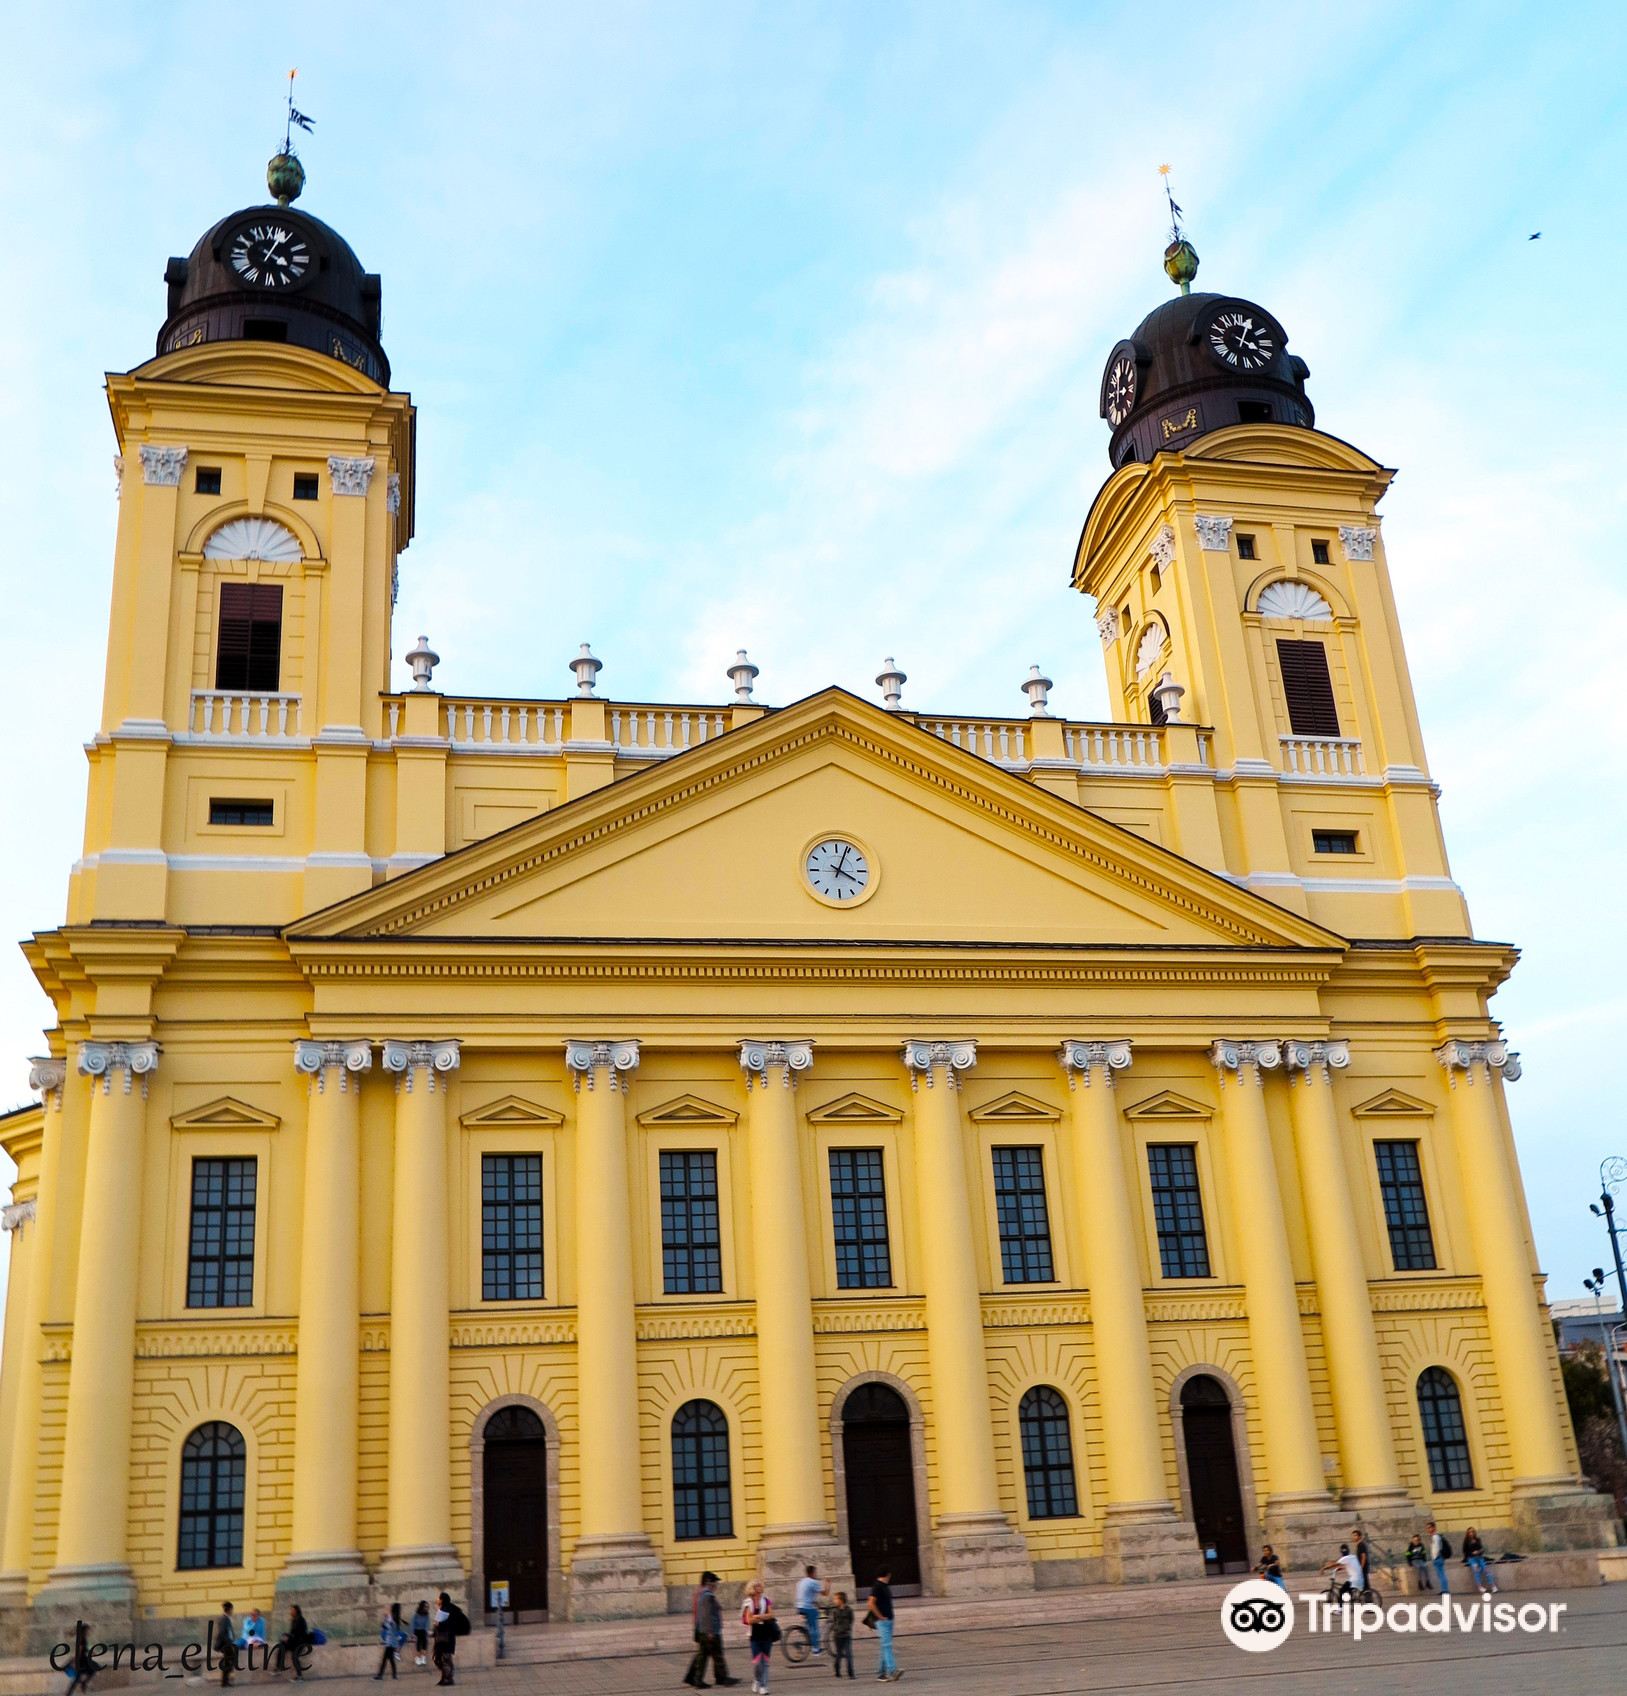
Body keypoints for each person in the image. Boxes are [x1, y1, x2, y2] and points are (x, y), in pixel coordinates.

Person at [684, 1570, 738, 1689]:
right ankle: (721, 1678)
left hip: (703, 1630)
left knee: (703, 1656)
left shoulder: (701, 1594)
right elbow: (706, 1615)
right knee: (717, 1655)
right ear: (709, 1583)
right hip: (710, 1631)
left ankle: (696, 1679)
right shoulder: (707, 1596)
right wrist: (709, 1632)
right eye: (715, 1583)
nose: (716, 1585)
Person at [740, 1579, 777, 1694]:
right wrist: (762, 1617)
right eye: (758, 1586)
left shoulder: (766, 1601)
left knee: (765, 1661)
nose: (761, 1587)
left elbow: (771, 1615)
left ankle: (763, 1685)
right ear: (753, 1588)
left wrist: (758, 1617)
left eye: (761, 1585)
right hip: (754, 1635)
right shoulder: (748, 1602)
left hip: (767, 1633)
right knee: (757, 1662)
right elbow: (749, 1620)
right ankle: (757, 1679)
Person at [866, 1567, 900, 1682]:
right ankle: (892, 1670)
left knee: (884, 1646)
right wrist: (880, 1616)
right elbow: (870, 1603)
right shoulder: (877, 1586)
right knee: (887, 1645)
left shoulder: (884, 1586)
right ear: (888, 1574)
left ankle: (881, 1673)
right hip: (883, 1621)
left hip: (889, 1620)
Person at [432, 1592, 469, 1688]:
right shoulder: (445, 1608)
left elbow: (450, 1624)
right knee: (441, 1658)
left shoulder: (449, 1610)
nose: (438, 1600)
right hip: (443, 1638)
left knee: (445, 1658)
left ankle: (448, 1678)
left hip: (447, 1638)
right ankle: (445, 1677)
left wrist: (439, 1624)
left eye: (439, 1598)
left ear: (443, 1599)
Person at [795, 1565, 826, 1657]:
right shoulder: (813, 1582)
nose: (816, 1574)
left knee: (810, 1624)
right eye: (815, 1572)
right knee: (815, 1628)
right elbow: (825, 1593)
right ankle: (816, 1650)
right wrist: (828, 1584)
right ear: (812, 1573)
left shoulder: (801, 1582)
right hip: (808, 1607)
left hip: (799, 1606)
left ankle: (807, 1635)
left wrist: (816, 1604)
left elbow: (806, 1595)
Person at [275, 1605, 314, 1680]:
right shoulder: (294, 1620)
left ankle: (300, 1676)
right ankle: (279, 1668)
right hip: (295, 1642)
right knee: (281, 1647)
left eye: (292, 1610)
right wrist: (286, 1637)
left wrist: (288, 1638)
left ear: (296, 1611)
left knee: (294, 1656)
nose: (291, 1612)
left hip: (300, 1643)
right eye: (291, 1610)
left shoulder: (300, 1620)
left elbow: (298, 1634)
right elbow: (292, 1633)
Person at [375, 1603, 408, 1680]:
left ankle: (381, 1675)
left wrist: (384, 1623)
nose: (384, 1610)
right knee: (390, 1659)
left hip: (390, 1642)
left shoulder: (391, 1618)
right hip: (391, 1642)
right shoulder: (391, 1617)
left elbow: (387, 1627)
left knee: (385, 1659)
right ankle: (394, 1675)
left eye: (386, 1609)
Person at [1462, 1527, 1498, 1595]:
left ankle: (1493, 1586)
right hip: (1471, 1559)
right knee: (1476, 1570)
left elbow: (1482, 1549)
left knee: (1486, 1570)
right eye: (1469, 1532)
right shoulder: (1466, 1542)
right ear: (1467, 1533)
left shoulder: (1478, 1539)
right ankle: (1480, 1586)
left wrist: (1478, 1551)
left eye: (1472, 1532)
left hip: (1479, 1557)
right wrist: (1472, 1553)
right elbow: (1465, 1552)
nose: (1471, 1533)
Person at [828, 1592, 855, 1681]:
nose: (834, 1601)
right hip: (838, 1635)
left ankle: (851, 1673)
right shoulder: (835, 1611)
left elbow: (851, 1619)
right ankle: (837, 1670)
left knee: (848, 1654)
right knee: (839, 1654)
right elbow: (834, 1621)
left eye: (836, 1599)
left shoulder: (849, 1610)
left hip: (846, 1634)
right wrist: (837, 1629)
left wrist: (847, 1627)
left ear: (841, 1600)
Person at [214, 1602, 239, 1688]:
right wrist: (228, 1642)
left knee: (228, 1661)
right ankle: (225, 1682)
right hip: (226, 1644)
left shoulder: (225, 1618)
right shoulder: (224, 1619)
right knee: (228, 1661)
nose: (232, 1611)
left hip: (227, 1643)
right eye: (232, 1609)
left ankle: (225, 1681)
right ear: (229, 1610)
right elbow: (222, 1632)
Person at [1428, 1521, 1452, 1595]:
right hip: (1439, 1557)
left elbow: (1436, 1548)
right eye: (1427, 1528)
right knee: (1441, 1574)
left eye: (1430, 1527)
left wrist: (1434, 1558)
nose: (1428, 1529)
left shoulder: (1435, 1536)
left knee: (1441, 1574)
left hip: (1438, 1558)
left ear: (1434, 1527)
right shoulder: (1436, 1536)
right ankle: (1444, 1589)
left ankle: (1445, 1590)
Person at [411, 1601, 431, 1668]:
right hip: (416, 1630)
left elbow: (427, 1624)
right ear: (422, 1607)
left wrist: (427, 1631)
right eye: (425, 1606)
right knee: (419, 1641)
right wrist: (413, 1633)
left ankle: (423, 1657)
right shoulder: (416, 1615)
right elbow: (412, 1624)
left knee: (425, 1640)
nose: (426, 1608)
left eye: (427, 1606)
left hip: (423, 1630)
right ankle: (418, 1658)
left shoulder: (427, 1615)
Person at [1351, 1525, 1371, 1592]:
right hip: (1361, 1567)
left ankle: (1368, 1599)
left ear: (1359, 1537)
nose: (1353, 1537)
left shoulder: (1361, 1545)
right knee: (1363, 1585)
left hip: (1363, 1568)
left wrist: (1361, 1568)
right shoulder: (1359, 1545)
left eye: (1355, 1535)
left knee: (1365, 1585)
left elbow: (1363, 1557)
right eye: (1353, 1535)